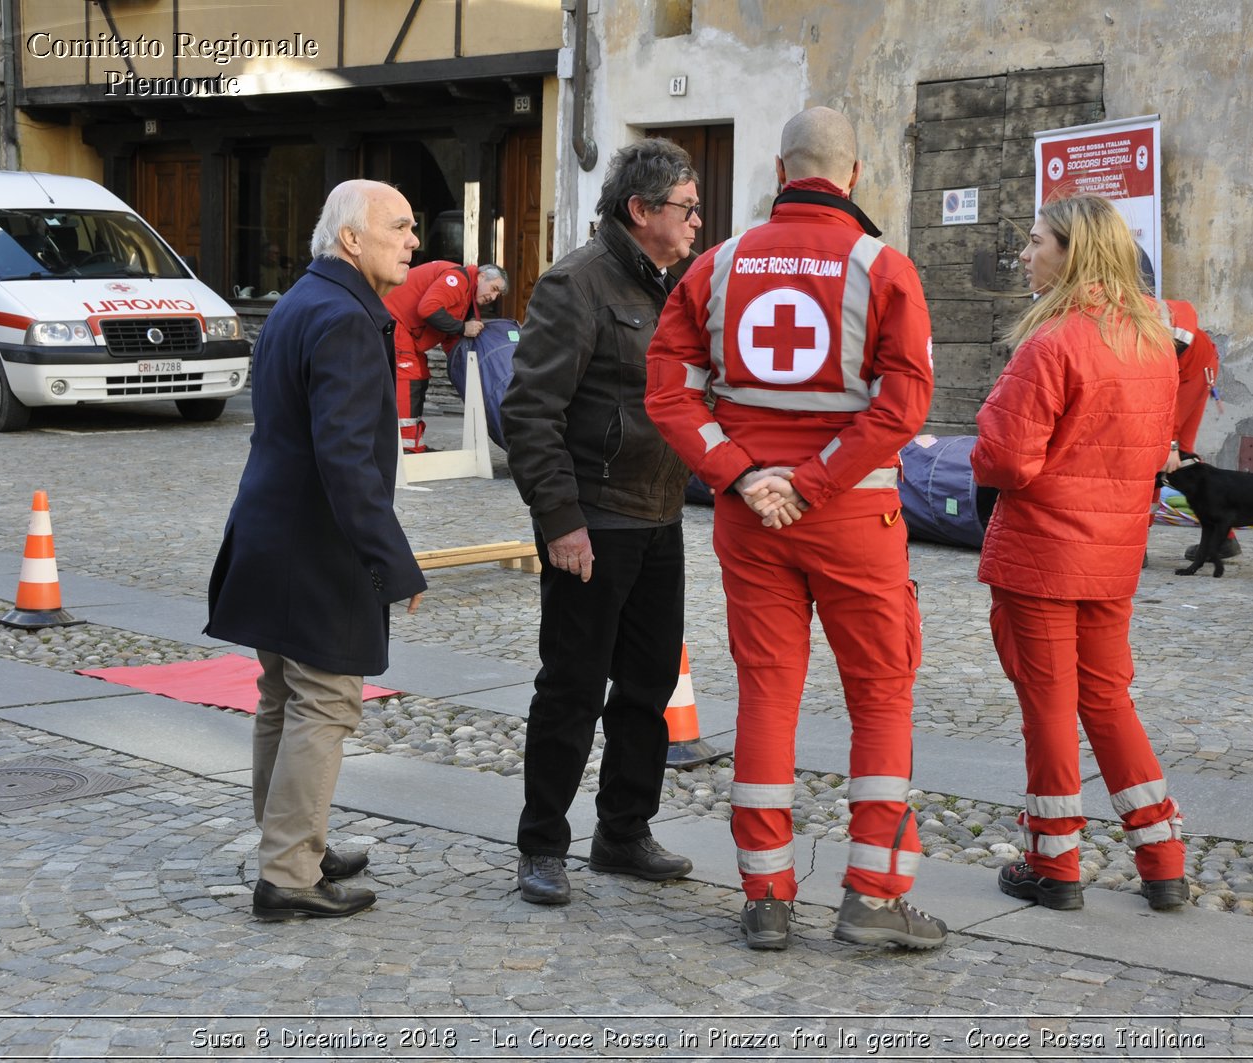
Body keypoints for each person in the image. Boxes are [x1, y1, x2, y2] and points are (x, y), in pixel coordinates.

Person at [645, 106, 946, 951]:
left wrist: (743, 475)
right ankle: (875, 895)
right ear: (853, 175)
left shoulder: (716, 265)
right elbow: (904, 402)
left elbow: (670, 390)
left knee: (767, 694)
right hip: (853, 512)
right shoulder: (882, 266)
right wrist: (813, 483)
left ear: (779, 172)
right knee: (881, 691)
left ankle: (767, 895)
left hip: (753, 518)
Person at [206, 180, 429, 921]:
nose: (414, 241)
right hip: (314, 546)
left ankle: (296, 841)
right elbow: (346, 461)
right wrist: (392, 559)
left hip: (272, 532)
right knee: (325, 704)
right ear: (351, 240)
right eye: (399, 227)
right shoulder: (342, 318)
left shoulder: (301, 301)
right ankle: (289, 871)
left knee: (283, 699)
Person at [971, 193, 1189, 913]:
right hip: (1113, 552)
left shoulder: (1054, 341)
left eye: (1036, 243)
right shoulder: (1152, 343)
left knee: (1049, 707)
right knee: (1107, 698)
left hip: (1043, 552)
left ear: (1074, 252)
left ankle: (1054, 861)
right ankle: (1162, 856)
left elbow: (1005, 459)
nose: (1025, 256)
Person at [500, 139, 699, 907]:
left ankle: (624, 830)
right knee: (573, 688)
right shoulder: (575, 283)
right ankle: (542, 843)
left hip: (658, 514)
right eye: (684, 207)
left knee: (648, 687)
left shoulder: (672, 284)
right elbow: (530, 411)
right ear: (639, 210)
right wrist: (560, 520)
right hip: (595, 520)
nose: (695, 219)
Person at [385, 261, 508, 452]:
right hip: (394, 324)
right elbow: (428, 308)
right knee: (410, 377)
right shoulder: (459, 279)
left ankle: (411, 443)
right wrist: (462, 328)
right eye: (493, 289)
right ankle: (408, 448)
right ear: (481, 276)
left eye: (497, 295)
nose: (493, 297)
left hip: (405, 332)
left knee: (421, 375)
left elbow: (451, 340)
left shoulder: (467, 300)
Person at [1160, 299, 1234, 561]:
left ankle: (1136, 546)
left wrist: (1170, 446)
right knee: (1180, 456)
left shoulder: (1171, 338)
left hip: (1194, 370)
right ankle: (1224, 537)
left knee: (1171, 456)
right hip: (1196, 364)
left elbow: (1170, 411)